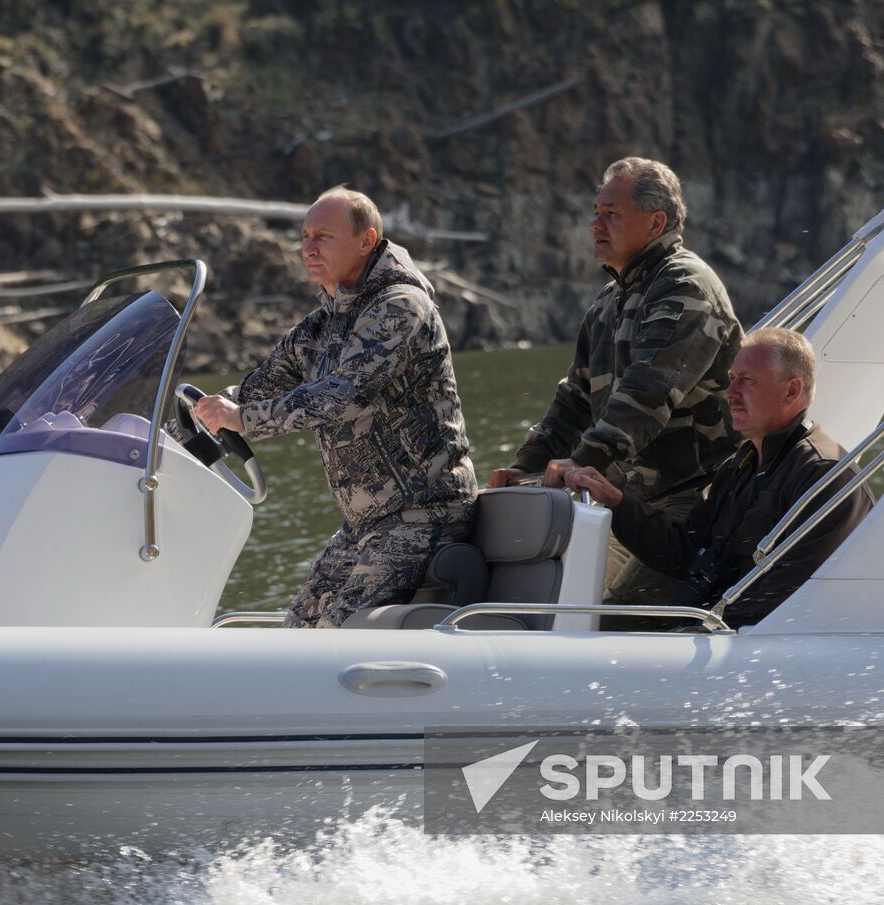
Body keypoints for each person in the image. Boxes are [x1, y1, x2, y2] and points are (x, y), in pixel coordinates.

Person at [194, 188, 477, 628]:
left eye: (323, 236)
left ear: (366, 241)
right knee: (297, 629)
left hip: (425, 512)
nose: (308, 248)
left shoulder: (399, 306)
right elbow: (257, 387)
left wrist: (242, 420)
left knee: (331, 636)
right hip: (366, 523)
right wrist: (193, 418)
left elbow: (344, 396)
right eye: (305, 236)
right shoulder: (325, 322)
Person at [488, 157, 742, 607]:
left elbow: (643, 399)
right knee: (548, 601)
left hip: (693, 500)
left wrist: (577, 466)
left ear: (655, 222)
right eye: (595, 213)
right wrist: (525, 469)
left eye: (611, 215)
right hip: (623, 500)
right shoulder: (608, 302)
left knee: (618, 620)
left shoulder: (686, 287)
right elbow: (573, 402)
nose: (594, 225)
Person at [563, 329, 874, 628]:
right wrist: (616, 502)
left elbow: (787, 596)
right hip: (716, 630)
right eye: (731, 380)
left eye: (747, 381)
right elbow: (685, 551)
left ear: (791, 390)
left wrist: (696, 630)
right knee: (599, 625)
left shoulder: (823, 473)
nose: (731, 393)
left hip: (754, 641)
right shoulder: (741, 465)